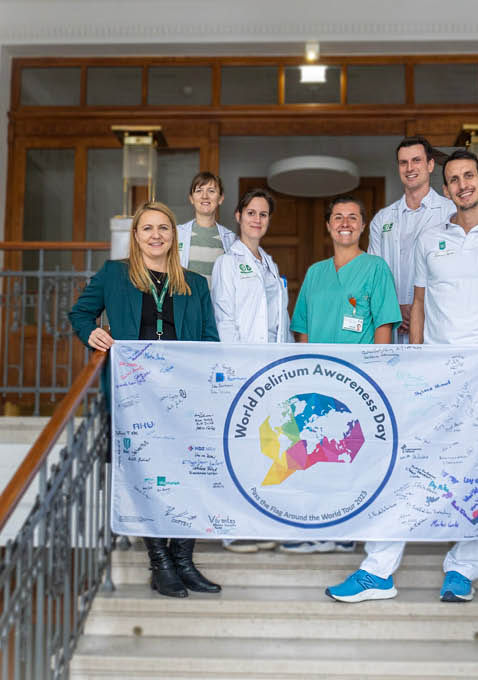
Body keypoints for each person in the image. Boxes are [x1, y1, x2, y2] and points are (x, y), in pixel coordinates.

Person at [326, 149, 478, 603]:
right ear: (446, 188)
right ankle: (378, 570)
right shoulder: (430, 238)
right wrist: (415, 354)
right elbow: (418, 304)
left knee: (477, 468)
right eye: (453, 179)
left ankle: (463, 570)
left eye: (468, 176)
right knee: (404, 460)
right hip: (432, 370)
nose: (461, 185)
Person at [68, 201, 222, 599]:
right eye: (147, 228)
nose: (156, 235)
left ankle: (184, 561)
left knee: (188, 474)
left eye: (164, 228)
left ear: (174, 236)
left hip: (183, 395)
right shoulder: (114, 275)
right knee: (146, 476)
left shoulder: (195, 284)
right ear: (136, 236)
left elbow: (209, 340)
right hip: (133, 395)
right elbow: (80, 315)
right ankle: (161, 563)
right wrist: (91, 333)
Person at [283, 195, 402, 554]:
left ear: (363, 226)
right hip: (318, 379)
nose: (345, 223)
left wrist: (376, 374)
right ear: (328, 225)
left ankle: (346, 528)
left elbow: (384, 323)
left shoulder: (376, 268)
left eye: (353, 217)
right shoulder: (316, 273)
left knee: (350, 454)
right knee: (314, 450)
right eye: (338, 217)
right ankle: (315, 525)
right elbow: (301, 326)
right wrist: (305, 371)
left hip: (358, 379)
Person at [210, 187, 292, 553]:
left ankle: (263, 518)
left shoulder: (269, 265)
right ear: (238, 217)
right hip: (244, 371)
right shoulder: (227, 263)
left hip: (273, 370)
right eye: (251, 213)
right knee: (241, 445)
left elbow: (280, 321)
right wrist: (239, 366)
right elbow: (224, 319)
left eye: (263, 214)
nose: (257, 219)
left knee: (270, 447)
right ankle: (233, 528)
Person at [368, 136, 455, 343]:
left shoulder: (450, 213)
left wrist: (418, 309)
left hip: (436, 322)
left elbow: (455, 272)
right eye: (403, 162)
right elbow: (374, 274)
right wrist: (394, 308)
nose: (410, 168)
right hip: (391, 322)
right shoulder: (383, 219)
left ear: (430, 165)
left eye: (416, 160)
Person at [176, 171, 237, 283]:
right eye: (199, 191)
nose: (204, 196)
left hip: (216, 300)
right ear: (191, 198)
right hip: (187, 299)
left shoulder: (231, 239)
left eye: (211, 191)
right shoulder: (177, 234)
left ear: (221, 198)